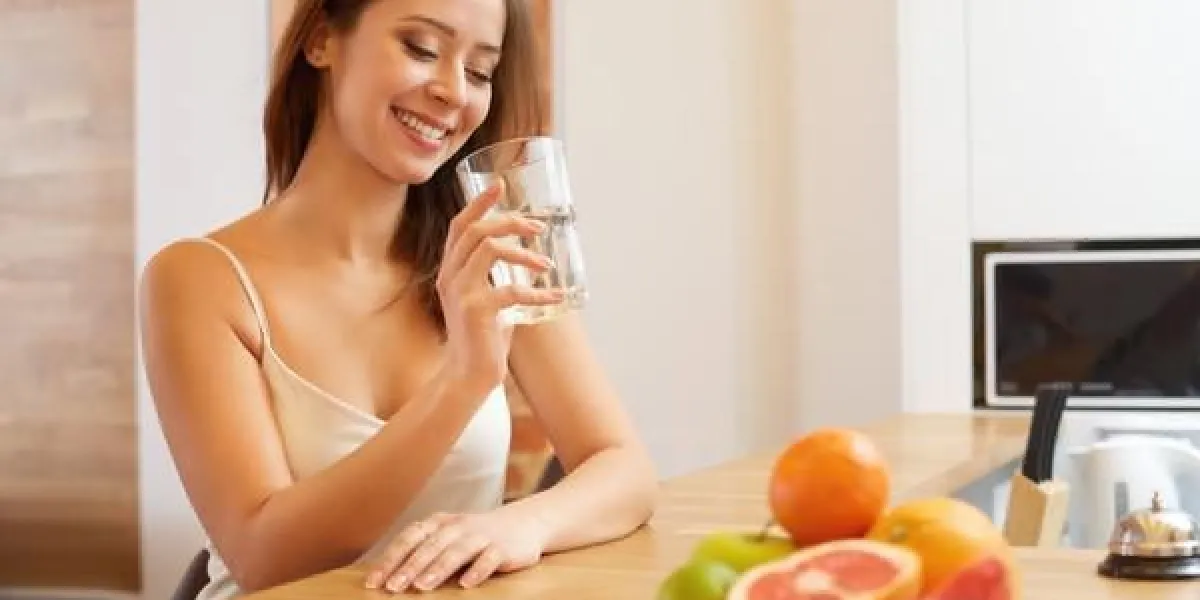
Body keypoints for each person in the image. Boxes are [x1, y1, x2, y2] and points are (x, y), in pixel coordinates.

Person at [137, 0, 659, 597]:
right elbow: (265, 558)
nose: (453, 92)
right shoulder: (198, 279)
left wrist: (523, 524)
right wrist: (462, 382)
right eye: (421, 48)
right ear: (321, 40)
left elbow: (625, 470)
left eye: (480, 71)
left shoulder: (488, 253)